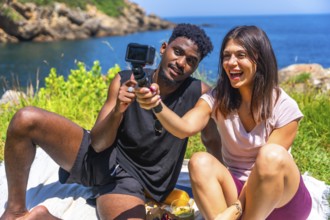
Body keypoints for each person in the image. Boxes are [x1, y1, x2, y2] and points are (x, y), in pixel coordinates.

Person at [0, 23, 214, 220]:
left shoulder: (199, 94)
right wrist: (118, 110)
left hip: (129, 182)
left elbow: (212, 138)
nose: (181, 63)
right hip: (100, 158)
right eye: (177, 52)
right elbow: (98, 143)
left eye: (191, 61)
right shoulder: (124, 79)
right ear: (164, 48)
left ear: (195, 67)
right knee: (25, 119)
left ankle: (43, 218)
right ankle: (15, 212)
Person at [136, 25, 312, 220]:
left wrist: (235, 209)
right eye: (227, 56)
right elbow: (184, 128)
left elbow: (269, 167)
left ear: (259, 58)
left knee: (271, 155)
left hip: (283, 201)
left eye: (241, 55)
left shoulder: (283, 105)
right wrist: (157, 105)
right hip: (236, 192)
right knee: (199, 161)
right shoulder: (218, 97)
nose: (231, 63)